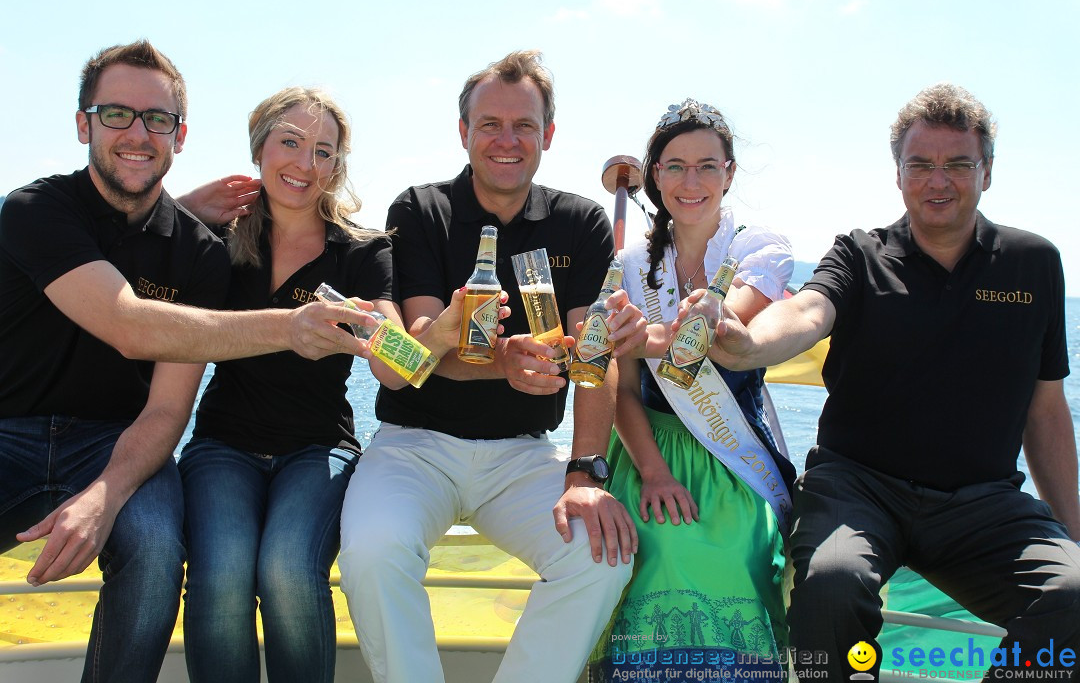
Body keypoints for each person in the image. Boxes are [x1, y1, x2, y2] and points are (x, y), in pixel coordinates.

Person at [0, 41, 370, 683]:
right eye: (116, 114)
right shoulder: (36, 211)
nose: (138, 134)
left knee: (155, 550)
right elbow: (127, 324)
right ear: (83, 123)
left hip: (117, 442)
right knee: (219, 567)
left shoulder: (200, 252)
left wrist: (103, 497)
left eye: (158, 119)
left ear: (181, 134)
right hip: (7, 434)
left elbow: (170, 408)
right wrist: (292, 325)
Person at [709, 83, 1080, 679]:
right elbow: (809, 309)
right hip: (858, 487)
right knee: (832, 585)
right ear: (898, 172)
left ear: (987, 171)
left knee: (1073, 593)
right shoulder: (860, 254)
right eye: (921, 165)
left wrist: (1073, 530)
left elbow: (1045, 408)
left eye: (958, 164)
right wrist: (748, 344)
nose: (939, 180)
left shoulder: (1034, 262)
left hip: (982, 500)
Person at [336, 50, 646, 683]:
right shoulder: (422, 210)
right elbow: (418, 354)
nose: (507, 140)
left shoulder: (580, 220)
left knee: (601, 556)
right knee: (371, 552)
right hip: (412, 445)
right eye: (489, 125)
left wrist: (586, 470)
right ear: (463, 132)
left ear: (548, 135)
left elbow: (594, 358)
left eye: (524, 125)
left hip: (523, 452)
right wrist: (503, 359)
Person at [175, 88, 481, 683]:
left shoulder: (362, 252)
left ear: (337, 167)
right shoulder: (215, 243)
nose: (305, 165)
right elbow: (141, 281)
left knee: (287, 569)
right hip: (222, 447)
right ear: (259, 147)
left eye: (323, 152)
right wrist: (182, 207)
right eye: (290, 142)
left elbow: (394, 366)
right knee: (220, 574)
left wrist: (439, 336)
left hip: (318, 447)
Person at [588, 99, 795, 680]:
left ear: (730, 174)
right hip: (646, 451)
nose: (691, 180)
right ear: (655, 175)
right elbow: (622, 392)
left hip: (734, 454)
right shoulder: (626, 263)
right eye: (675, 166)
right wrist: (652, 473)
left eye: (708, 165)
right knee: (649, 542)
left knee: (737, 546)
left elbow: (718, 333)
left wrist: (635, 335)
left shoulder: (761, 248)